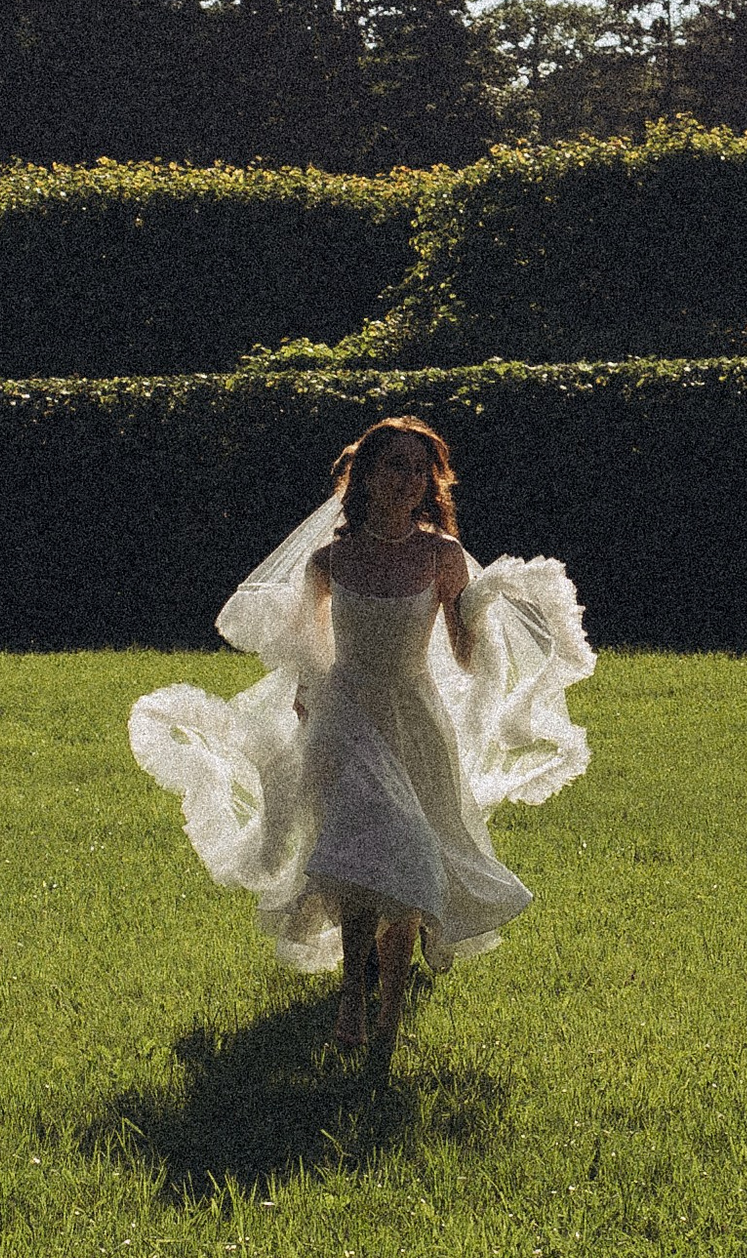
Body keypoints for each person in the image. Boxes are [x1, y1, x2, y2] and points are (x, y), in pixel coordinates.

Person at [128, 415, 593, 1062]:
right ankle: (353, 993)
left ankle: (390, 1017)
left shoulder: (442, 556)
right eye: (396, 465)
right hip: (344, 715)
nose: (409, 479)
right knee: (357, 860)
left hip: (413, 718)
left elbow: (462, 656)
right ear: (366, 476)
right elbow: (305, 652)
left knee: (403, 863)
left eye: (419, 468)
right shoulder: (329, 561)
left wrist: (481, 610)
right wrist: (304, 712)